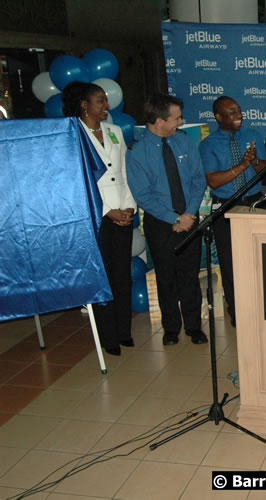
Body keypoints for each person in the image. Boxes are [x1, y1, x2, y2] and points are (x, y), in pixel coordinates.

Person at [126, 93, 208, 346]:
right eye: (176, 118)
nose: (181, 123)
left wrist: (188, 215)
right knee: (166, 276)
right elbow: (143, 195)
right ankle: (171, 327)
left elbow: (198, 181)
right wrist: (173, 217)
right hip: (160, 223)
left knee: (189, 275)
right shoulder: (137, 153)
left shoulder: (184, 143)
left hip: (189, 219)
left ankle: (194, 326)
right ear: (159, 120)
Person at [62, 81, 136, 356]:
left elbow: (124, 172)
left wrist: (128, 207)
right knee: (102, 277)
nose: (106, 105)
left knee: (122, 275)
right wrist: (107, 210)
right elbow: (76, 179)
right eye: (99, 101)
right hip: (96, 215)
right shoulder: (73, 134)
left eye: (106, 100)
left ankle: (123, 331)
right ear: (84, 105)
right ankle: (108, 337)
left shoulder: (114, 131)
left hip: (122, 210)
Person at [199, 96, 266, 327]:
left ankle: (262, 308)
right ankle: (238, 313)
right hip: (227, 205)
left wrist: (255, 160)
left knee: (260, 259)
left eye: (239, 110)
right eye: (232, 112)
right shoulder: (208, 145)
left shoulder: (253, 135)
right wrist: (243, 165)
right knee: (230, 263)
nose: (239, 114)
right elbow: (213, 181)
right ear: (219, 117)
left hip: (255, 203)